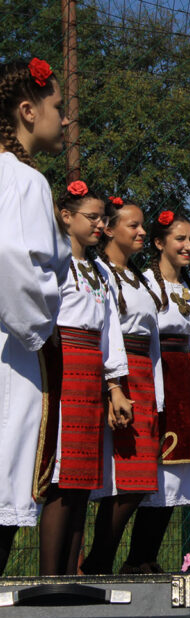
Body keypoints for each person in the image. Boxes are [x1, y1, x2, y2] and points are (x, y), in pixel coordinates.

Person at [0, 58, 71, 573]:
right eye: (57, 106)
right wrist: (41, 328)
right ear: (28, 110)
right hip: (14, 350)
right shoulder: (24, 180)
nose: (64, 119)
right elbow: (10, 258)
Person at [122, 211, 190, 573]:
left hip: (184, 382)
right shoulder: (144, 284)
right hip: (154, 375)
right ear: (159, 242)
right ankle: (131, 557)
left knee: (175, 477)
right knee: (149, 473)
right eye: (180, 239)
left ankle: (145, 558)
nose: (188, 246)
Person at [39, 184, 129, 575]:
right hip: (63, 366)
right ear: (66, 216)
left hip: (92, 372)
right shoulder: (53, 262)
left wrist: (115, 386)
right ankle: (48, 578)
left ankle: (69, 576)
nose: (99, 224)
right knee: (61, 479)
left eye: (102, 218)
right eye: (91, 217)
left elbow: (110, 331)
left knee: (81, 478)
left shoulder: (99, 271)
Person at [81, 198, 165, 574]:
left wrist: (158, 391)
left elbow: (153, 338)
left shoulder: (139, 278)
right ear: (110, 230)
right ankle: (96, 563)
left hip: (143, 376)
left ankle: (100, 562)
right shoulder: (99, 272)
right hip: (119, 376)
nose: (142, 232)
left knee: (140, 479)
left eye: (143, 225)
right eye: (133, 225)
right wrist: (110, 385)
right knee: (124, 480)